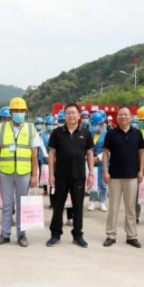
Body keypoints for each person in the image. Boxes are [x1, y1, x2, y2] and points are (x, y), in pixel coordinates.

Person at [0, 97, 40, 247]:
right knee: (7, 204)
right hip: (5, 172)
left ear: (25, 112)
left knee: (22, 205)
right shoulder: (1, 128)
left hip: (24, 173)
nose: (19, 113)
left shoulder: (31, 129)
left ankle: (21, 234)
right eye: (16, 110)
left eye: (22, 111)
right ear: (11, 112)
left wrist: (34, 175)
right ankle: (4, 234)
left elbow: (34, 154)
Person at [46, 103, 94, 248]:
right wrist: (50, 174)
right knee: (58, 205)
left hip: (79, 175)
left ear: (79, 115)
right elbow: (52, 153)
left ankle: (78, 235)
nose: (71, 115)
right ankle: (55, 234)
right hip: (60, 175)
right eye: (68, 113)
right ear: (64, 116)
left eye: (74, 113)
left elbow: (90, 153)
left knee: (78, 206)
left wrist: (91, 173)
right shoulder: (57, 133)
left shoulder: (86, 133)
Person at [102, 106, 144, 248]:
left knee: (131, 208)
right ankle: (111, 235)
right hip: (114, 176)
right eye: (120, 115)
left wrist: (141, 171)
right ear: (117, 117)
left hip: (132, 176)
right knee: (113, 207)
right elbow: (105, 153)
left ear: (131, 116)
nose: (123, 117)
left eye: (126, 114)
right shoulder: (111, 134)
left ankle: (131, 236)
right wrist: (105, 171)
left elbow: (141, 153)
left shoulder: (137, 133)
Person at [87, 112, 108, 212]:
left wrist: (98, 158)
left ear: (101, 124)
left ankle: (102, 202)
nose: (94, 127)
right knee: (93, 181)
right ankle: (92, 201)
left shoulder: (107, 134)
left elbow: (109, 150)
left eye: (96, 125)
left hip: (102, 161)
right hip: (91, 162)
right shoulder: (90, 133)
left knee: (103, 183)